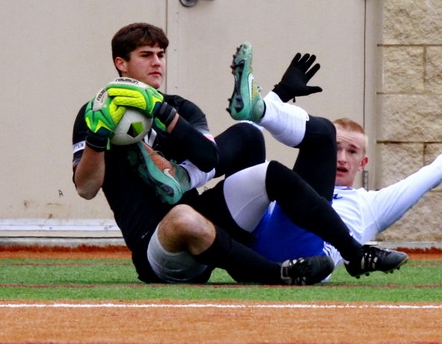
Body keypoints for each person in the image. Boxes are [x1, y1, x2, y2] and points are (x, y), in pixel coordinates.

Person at [72, 22, 407, 286]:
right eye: (146, 55)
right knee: (182, 217)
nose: (157, 62)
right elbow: (86, 188)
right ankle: (277, 274)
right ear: (121, 63)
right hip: (157, 248)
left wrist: (162, 111)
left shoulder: (178, 107)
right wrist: (98, 139)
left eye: (161, 54)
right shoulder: (94, 113)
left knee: (254, 144)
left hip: (203, 216)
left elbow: (208, 157)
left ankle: (356, 254)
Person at [233, 39, 442, 270]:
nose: (340, 158)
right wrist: (280, 93)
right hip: (252, 243)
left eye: (351, 151)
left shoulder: (371, 205)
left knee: (315, 143)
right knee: (251, 146)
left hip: (303, 253)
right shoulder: (290, 185)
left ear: (363, 163)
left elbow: (438, 171)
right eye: (336, 148)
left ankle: (265, 109)